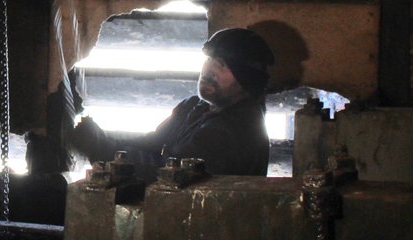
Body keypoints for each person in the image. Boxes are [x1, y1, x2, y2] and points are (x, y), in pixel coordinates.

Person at [65, 27, 274, 181]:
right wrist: (104, 141)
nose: (209, 70)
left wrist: (100, 148)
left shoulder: (231, 132)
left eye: (222, 66)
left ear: (247, 80)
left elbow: (166, 177)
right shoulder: (195, 107)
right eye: (209, 60)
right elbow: (153, 143)